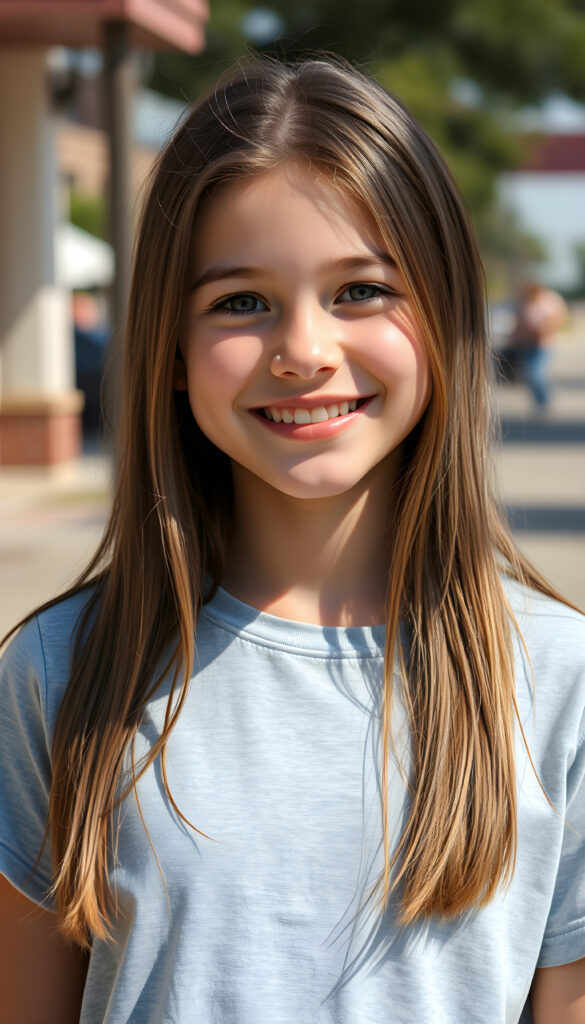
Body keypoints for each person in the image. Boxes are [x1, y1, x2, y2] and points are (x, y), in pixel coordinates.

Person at [0, 57, 584, 1024]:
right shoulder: (60, 673)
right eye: (239, 302)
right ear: (171, 355)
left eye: (361, 290)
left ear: (442, 320)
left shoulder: (560, 681)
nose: (304, 349)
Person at [509, 280, 568, 410]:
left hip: (543, 345)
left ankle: (543, 402)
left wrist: (543, 329)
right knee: (528, 374)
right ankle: (540, 401)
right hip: (526, 343)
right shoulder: (523, 301)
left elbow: (558, 318)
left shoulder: (549, 300)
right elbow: (519, 321)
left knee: (536, 374)